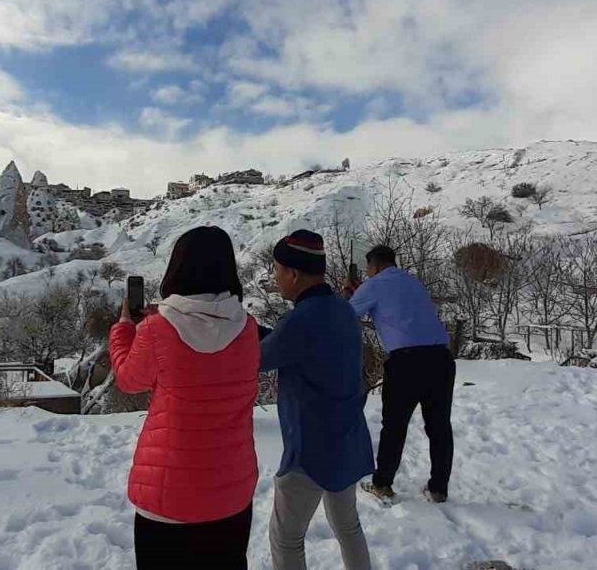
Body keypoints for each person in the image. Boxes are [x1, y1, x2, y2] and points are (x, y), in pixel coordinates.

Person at [108, 227, 260, 569]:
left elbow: (128, 380)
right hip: (230, 494)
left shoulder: (156, 330)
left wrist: (124, 329)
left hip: (167, 498)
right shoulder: (248, 329)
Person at [259, 230, 373, 570]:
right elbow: (287, 345)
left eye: (278, 270)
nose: (276, 278)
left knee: (287, 539)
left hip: (311, 449)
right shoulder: (341, 310)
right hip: (347, 439)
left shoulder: (301, 320)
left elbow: (259, 357)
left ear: (293, 274)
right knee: (348, 526)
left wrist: (231, 325)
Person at [344, 245, 455, 504]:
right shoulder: (412, 281)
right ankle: (439, 488)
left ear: (374, 266)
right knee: (439, 426)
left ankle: (382, 484)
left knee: (394, 426)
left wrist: (352, 294)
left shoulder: (372, 286)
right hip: (441, 358)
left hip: (407, 362)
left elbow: (347, 316)